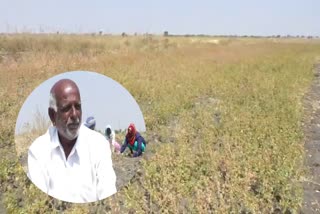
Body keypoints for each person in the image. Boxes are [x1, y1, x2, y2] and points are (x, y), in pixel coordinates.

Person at [27, 79, 117, 203]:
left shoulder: (98, 145)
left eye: (78, 107)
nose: (75, 115)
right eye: (66, 108)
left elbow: (108, 197)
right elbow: (39, 204)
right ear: (53, 115)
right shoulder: (38, 151)